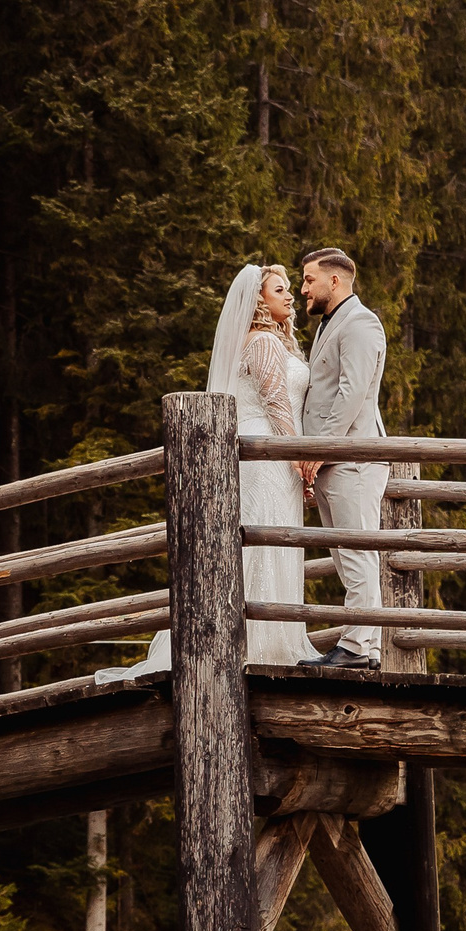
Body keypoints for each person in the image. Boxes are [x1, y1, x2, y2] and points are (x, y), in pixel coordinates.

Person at [96, 264, 313, 681]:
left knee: (262, 538)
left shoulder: (268, 341)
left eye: (290, 290)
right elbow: (277, 404)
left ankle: (254, 641)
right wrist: (297, 458)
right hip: (269, 451)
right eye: (280, 290)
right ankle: (262, 646)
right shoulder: (265, 340)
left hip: (264, 451)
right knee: (265, 539)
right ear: (259, 302)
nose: (289, 297)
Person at [294, 247, 388, 670]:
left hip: (352, 458)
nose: (302, 289)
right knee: (346, 556)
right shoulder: (329, 326)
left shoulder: (362, 322)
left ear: (335, 281)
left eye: (309, 280)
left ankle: (354, 647)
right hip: (334, 461)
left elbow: (352, 394)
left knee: (356, 554)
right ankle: (365, 648)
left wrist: (320, 449)